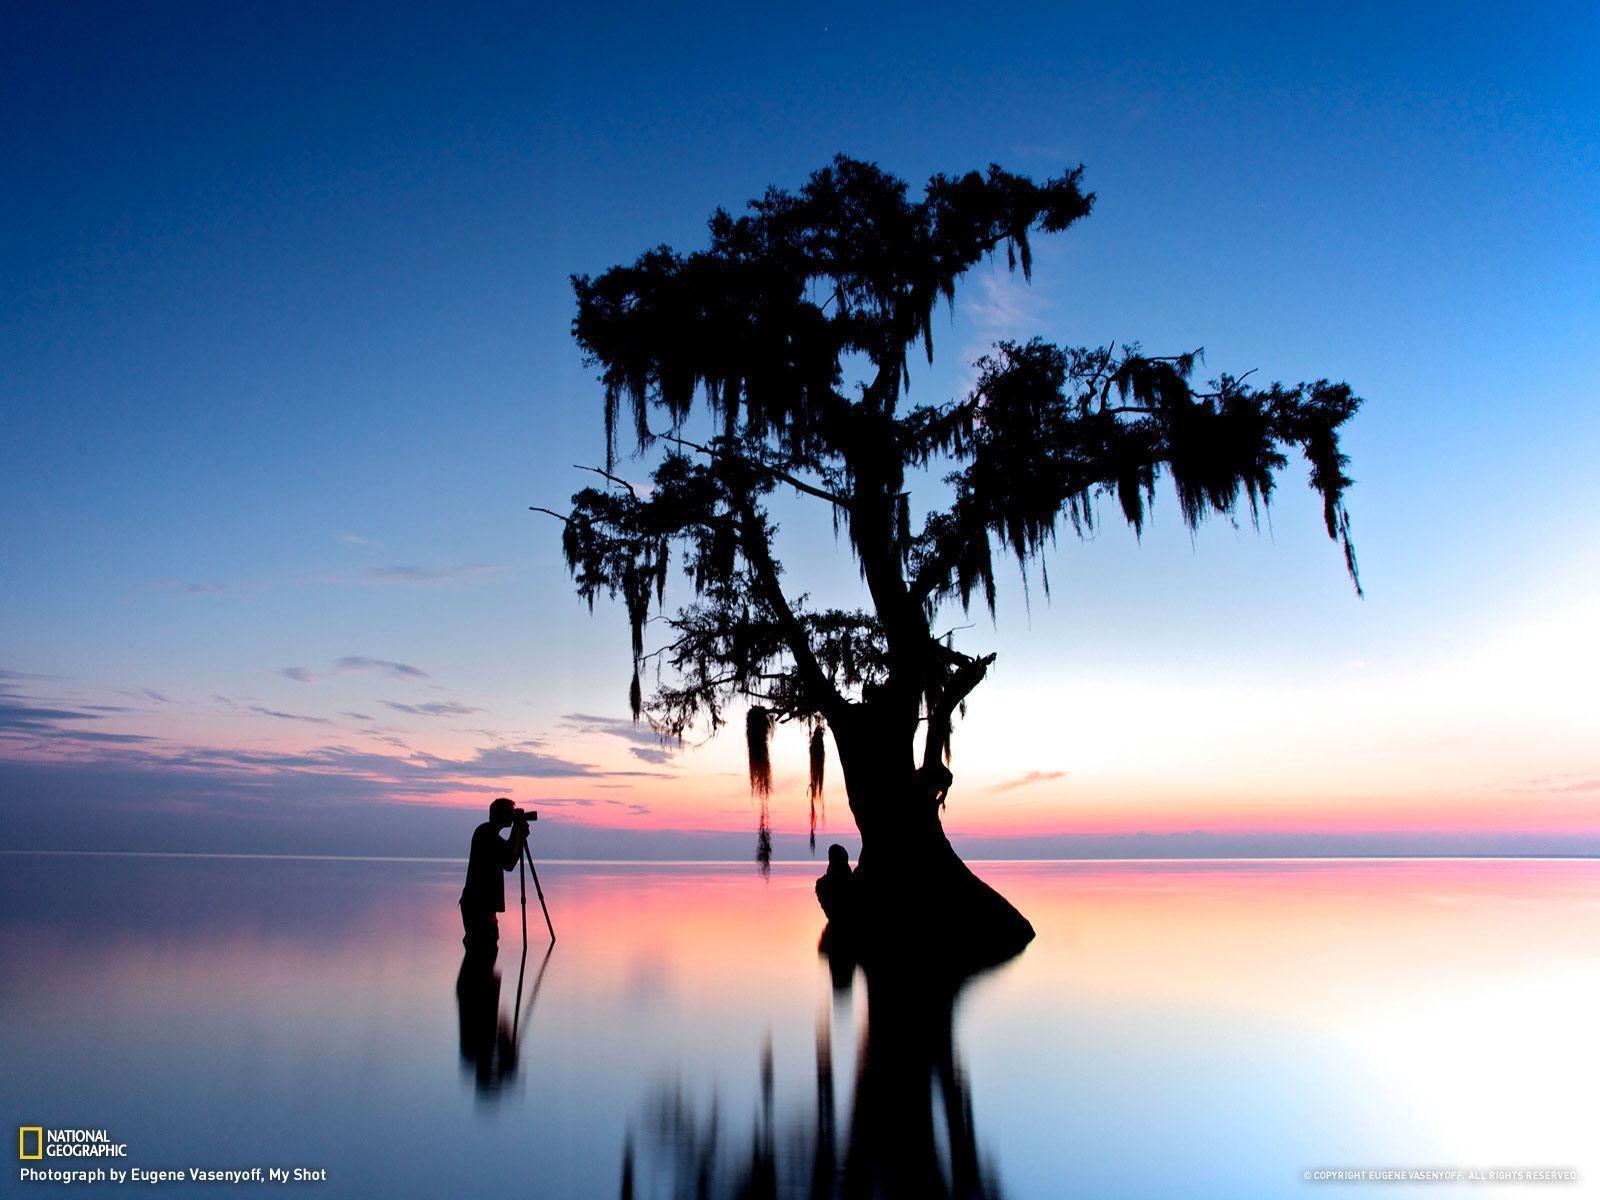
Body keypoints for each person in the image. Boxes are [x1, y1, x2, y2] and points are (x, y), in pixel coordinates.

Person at [459, 797, 529, 958]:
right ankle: (478, 980)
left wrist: (520, 836)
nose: (512, 817)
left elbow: (509, 863)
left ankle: (482, 980)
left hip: (484, 906)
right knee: (482, 946)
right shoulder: (485, 833)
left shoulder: (490, 834)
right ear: (500, 814)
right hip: (478, 905)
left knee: (489, 944)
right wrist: (516, 831)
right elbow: (507, 856)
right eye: (510, 813)